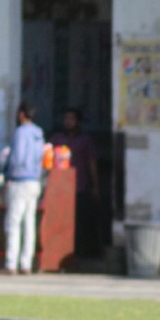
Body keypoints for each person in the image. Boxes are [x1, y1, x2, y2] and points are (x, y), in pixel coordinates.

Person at [49, 108, 103, 257]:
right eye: (66, 119)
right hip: (59, 189)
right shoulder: (57, 139)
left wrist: (95, 186)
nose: (68, 122)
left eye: (72, 119)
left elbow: (92, 163)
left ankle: (77, 254)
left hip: (79, 187)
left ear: (78, 122)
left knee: (78, 223)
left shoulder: (85, 141)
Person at [1, 101, 45, 275]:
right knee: (29, 223)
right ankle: (26, 263)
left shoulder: (20, 132)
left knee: (13, 222)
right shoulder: (38, 133)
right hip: (34, 180)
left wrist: (8, 174)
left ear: (20, 114)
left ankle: (11, 263)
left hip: (19, 180)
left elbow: (17, 157)